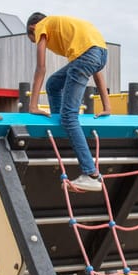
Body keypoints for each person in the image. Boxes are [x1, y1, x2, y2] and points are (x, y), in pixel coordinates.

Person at [26, 12, 112, 192]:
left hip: (86, 57)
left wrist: (33, 105)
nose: (43, 44)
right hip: (101, 52)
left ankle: (91, 174)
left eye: (34, 40)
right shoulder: (69, 28)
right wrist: (107, 105)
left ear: (33, 28)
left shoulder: (42, 25)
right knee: (53, 84)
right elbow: (96, 71)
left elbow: (40, 67)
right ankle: (61, 126)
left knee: (69, 116)